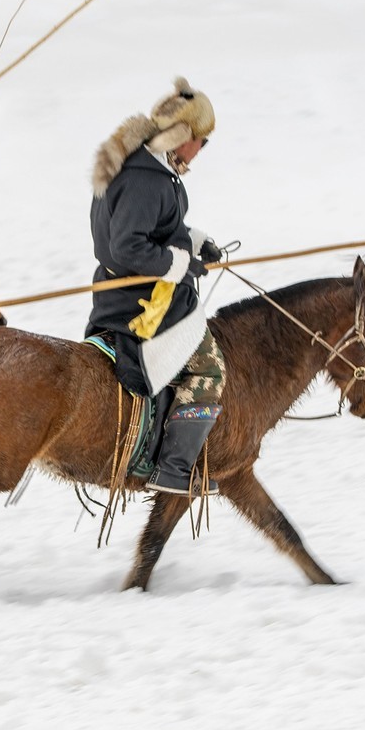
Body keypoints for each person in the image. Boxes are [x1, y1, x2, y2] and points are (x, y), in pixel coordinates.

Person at [86, 76, 227, 495]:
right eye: (202, 142)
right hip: (140, 304)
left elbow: (157, 226)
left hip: (138, 292)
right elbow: (127, 246)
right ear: (183, 137)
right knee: (209, 368)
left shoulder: (151, 171)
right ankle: (174, 468)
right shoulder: (146, 179)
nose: (201, 152)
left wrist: (195, 242)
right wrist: (179, 264)